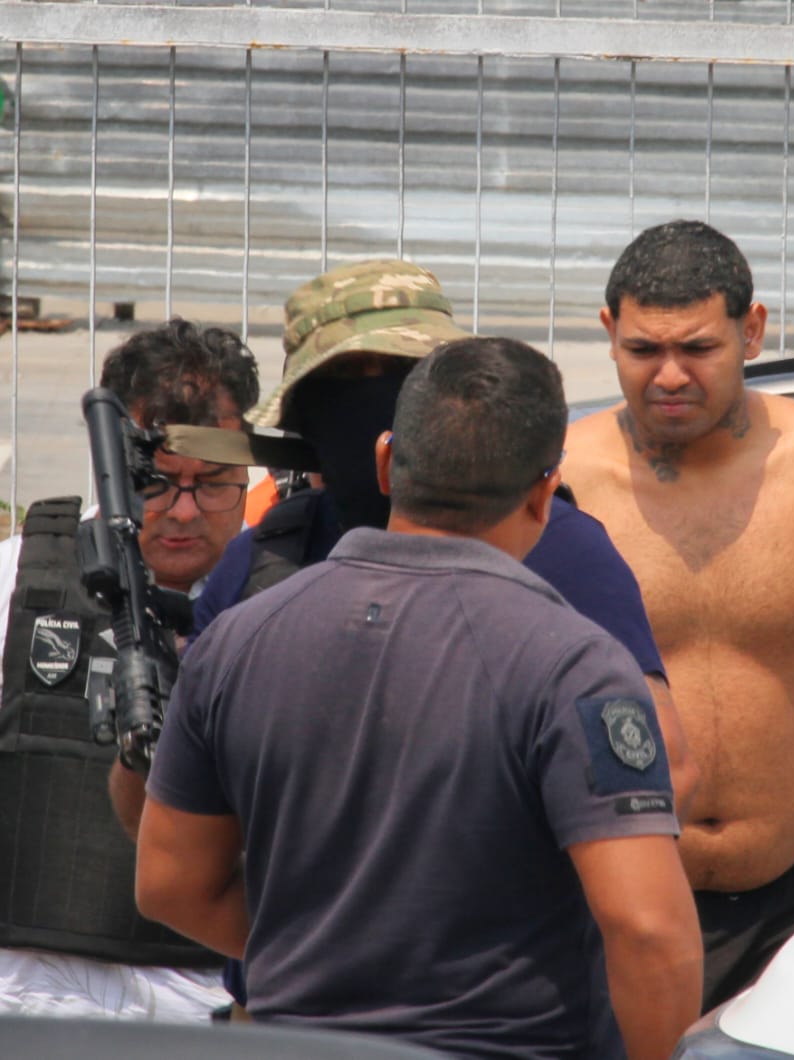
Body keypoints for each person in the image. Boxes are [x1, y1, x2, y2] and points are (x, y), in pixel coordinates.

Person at [135, 336, 702, 1059]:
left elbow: (169, 882)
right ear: (542, 491)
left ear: (385, 462)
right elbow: (649, 929)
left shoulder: (237, 640)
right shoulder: (577, 664)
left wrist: (332, 952)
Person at [564, 219, 794, 1011]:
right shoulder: (561, 480)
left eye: (698, 349)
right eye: (642, 351)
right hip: (608, 898)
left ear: (751, 330)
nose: (669, 375)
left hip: (793, 900)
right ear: (608, 335)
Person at [184, 258, 694, 815]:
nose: (372, 406)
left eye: (399, 373)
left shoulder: (555, 545)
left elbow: (659, 764)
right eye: (345, 381)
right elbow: (179, 823)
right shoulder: (266, 558)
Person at [0, 319, 257, 1019]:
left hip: (200, 1003)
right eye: (158, 482)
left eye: (212, 485)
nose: (182, 512)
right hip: (30, 999)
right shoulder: (18, 578)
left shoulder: (284, 605)